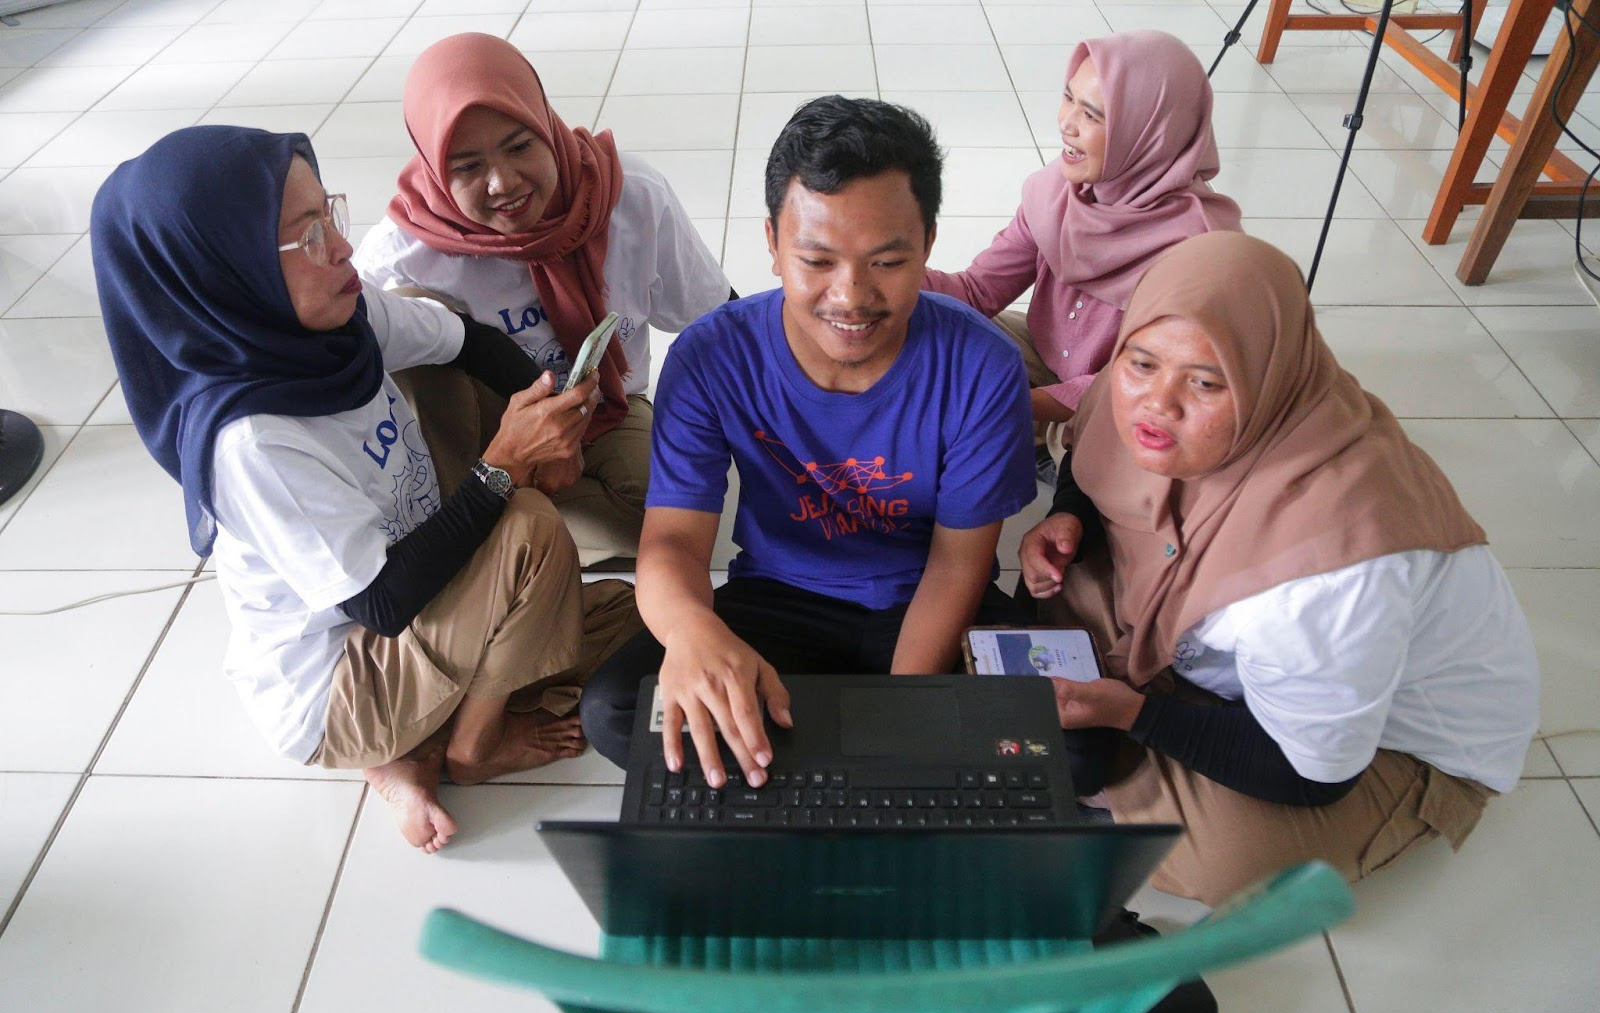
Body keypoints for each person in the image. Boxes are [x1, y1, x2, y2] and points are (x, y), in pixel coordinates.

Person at [91, 126, 643, 854]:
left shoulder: (337, 322)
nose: (344, 248)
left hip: (411, 601)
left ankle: (406, 755)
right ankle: (471, 747)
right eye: (307, 237)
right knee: (531, 530)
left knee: (642, 613)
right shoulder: (255, 441)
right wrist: (505, 464)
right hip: (340, 680)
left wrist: (553, 412)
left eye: (330, 216)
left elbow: (464, 340)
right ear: (229, 274)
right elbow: (382, 603)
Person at [1018, 231, 1540, 906]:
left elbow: (1314, 776)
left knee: (1227, 860)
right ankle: (1150, 717)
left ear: (1266, 382)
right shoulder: (1234, 397)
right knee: (1072, 583)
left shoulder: (1327, 574)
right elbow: (1093, 464)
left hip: (1385, 748)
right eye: (1140, 362)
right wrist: (1070, 519)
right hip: (1233, 632)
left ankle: (1149, 736)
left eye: (1206, 383)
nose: (1157, 404)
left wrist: (1131, 715)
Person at [580, 96, 1037, 784]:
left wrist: (903, 712)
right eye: (817, 260)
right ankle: (826, 773)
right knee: (618, 707)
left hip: (925, 600)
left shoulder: (983, 364)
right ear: (771, 243)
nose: (850, 296)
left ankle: (803, 774)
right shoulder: (711, 357)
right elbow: (672, 540)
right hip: (777, 599)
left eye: (887, 261)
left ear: (929, 244)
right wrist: (692, 635)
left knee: (1076, 747)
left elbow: (958, 565)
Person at [355, 32, 733, 565]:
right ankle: (480, 518)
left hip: (605, 410)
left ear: (546, 125)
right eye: (466, 167)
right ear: (435, 167)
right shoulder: (402, 255)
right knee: (407, 312)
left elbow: (718, 319)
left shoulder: (627, 196)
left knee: (670, 516)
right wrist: (509, 460)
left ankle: (498, 537)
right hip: (478, 440)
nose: (502, 183)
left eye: (519, 146)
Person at [922, 30, 1241, 477]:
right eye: (1068, 98)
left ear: (1148, 134)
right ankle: (1031, 442)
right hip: (1044, 358)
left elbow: (1147, 383)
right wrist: (889, 272)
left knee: (1135, 456)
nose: (1066, 123)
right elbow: (977, 291)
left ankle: (1051, 454)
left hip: (1124, 397)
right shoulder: (1056, 192)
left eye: (1091, 114)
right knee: (928, 323)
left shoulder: (1198, 253)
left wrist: (1012, 403)